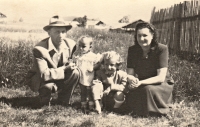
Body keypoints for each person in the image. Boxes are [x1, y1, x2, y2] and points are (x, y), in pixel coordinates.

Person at [25, 15, 80, 107]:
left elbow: (71, 60)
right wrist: (64, 68)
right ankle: (44, 99)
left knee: (76, 73)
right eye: (57, 32)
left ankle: (63, 101)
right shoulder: (40, 49)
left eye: (63, 32)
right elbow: (44, 74)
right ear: (49, 33)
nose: (61, 36)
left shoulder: (71, 45)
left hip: (57, 75)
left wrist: (73, 64)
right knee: (48, 87)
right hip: (42, 79)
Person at [126, 22, 174, 117]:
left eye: (145, 35)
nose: (141, 39)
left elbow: (160, 77)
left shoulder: (161, 49)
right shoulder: (132, 50)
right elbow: (129, 74)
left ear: (152, 35)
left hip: (161, 83)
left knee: (146, 90)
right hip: (141, 82)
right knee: (130, 90)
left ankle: (154, 111)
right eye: (139, 36)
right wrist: (132, 81)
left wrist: (140, 83)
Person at [73, 35, 102, 113]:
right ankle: (83, 105)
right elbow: (75, 63)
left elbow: (99, 63)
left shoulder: (93, 56)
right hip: (82, 76)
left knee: (90, 91)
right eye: (80, 46)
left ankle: (91, 105)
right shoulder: (78, 56)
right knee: (83, 91)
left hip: (90, 76)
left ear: (90, 47)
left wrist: (93, 67)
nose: (81, 48)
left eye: (84, 46)